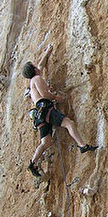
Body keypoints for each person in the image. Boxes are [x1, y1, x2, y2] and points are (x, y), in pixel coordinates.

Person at [23, 44, 98, 177]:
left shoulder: (32, 82)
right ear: (34, 70)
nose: (37, 67)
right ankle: (82, 145)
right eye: (35, 67)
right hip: (46, 108)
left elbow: (41, 64)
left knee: (46, 142)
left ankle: (32, 163)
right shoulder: (37, 79)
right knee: (69, 123)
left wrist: (48, 52)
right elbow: (45, 95)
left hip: (39, 114)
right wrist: (59, 98)